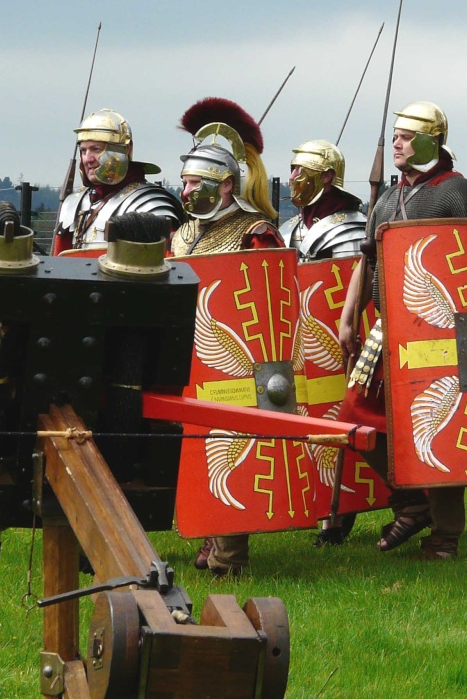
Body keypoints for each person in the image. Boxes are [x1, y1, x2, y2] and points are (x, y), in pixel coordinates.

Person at [337, 101, 467, 560]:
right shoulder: (388, 196)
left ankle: (446, 533)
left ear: (432, 140)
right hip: (391, 326)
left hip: (443, 332)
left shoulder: (456, 193)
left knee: (436, 424)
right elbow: (367, 259)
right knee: (356, 413)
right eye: (396, 134)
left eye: (407, 135)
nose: (398, 142)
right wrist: (350, 315)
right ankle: (412, 501)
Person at [171, 97, 283, 575]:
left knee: (228, 446)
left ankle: (230, 555)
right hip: (185, 355)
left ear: (226, 185)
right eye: (184, 182)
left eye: (196, 183)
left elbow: (270, 302)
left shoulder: (255, 231)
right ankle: (205, 536)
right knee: (194, 449)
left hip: (234, 364)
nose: (186, 189)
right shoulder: (182, 234)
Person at [280, 139, 367, 546]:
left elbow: (350, 288)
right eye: (293, 170)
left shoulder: (349, 226)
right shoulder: (293, 227)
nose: (294, 178)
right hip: (299, 344)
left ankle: (343, 508)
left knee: (347, 419)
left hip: (340, 341)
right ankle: (319, 503)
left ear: (327, 178)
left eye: (303, 171)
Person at [53, 109, 182, 255]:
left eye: (96, 149)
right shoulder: (74, 203)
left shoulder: (149, 204)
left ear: (126, 149)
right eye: (83, 151)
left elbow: (165, 263)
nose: (87, 159)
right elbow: (61, 257)